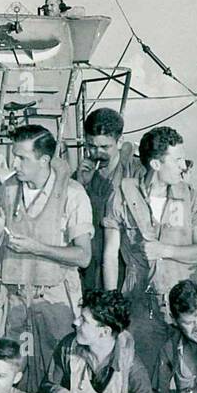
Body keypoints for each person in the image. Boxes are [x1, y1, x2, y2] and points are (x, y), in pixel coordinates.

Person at [0, 123, 94, 393]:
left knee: (57, 377)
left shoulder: (73, 194)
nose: (14, 163)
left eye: (22, 158)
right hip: (15, 302)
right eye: (13, 155)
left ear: (44, 160)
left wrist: (37, 247)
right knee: (14, 375)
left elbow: (84, 256)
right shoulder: (7, 191)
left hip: (54, 303)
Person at [102, 125, 197, 367]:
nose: (184, 165)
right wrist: (112, 307)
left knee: (188, 373)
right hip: (140, 303)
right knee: (143, 370)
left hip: (185, 302)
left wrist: (165, 250)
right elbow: (110, 255)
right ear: (156, 164)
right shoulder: (121, 195)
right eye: (178, 159)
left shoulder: (191, 196)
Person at [76, 107, 140, 296]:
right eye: (91, 146)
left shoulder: (137, 174)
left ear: (119, 141)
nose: (97, 153)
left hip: (126, 270)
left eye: (105, 147)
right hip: (91, 271)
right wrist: (81, 186)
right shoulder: (81, 175)